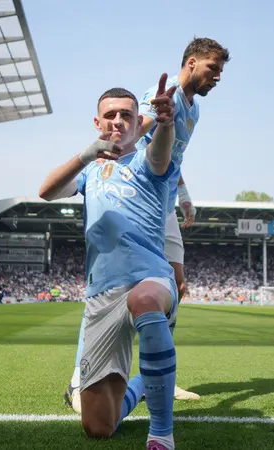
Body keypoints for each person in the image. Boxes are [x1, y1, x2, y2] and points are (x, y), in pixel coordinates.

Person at [65, 37, 230, 406]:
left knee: (176, 286)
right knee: (108, 288)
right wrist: (105, 159)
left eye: (220, 71)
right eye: (213, 68)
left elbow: (173, 154)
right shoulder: (161, 93)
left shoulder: (194, 109)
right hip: (139, 197)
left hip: (165, 200)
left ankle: (160, 376)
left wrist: (184, 195)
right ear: (191, 62)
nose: (218, 76)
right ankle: (81, 375)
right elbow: (133, 133)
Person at [39, 76, 179, 449]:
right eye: (111, 115)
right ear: (98, 123)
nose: (119, 120)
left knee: (144, 301)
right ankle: (141, 388)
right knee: (99, 427)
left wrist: (165, 123)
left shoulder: (149, 159)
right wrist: (86, 154)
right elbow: (46, 191)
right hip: (101, 293)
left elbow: (162, 154)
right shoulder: (89, 171)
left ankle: (162, 434)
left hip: (150, 280)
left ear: (138, 123)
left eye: (127, 115)